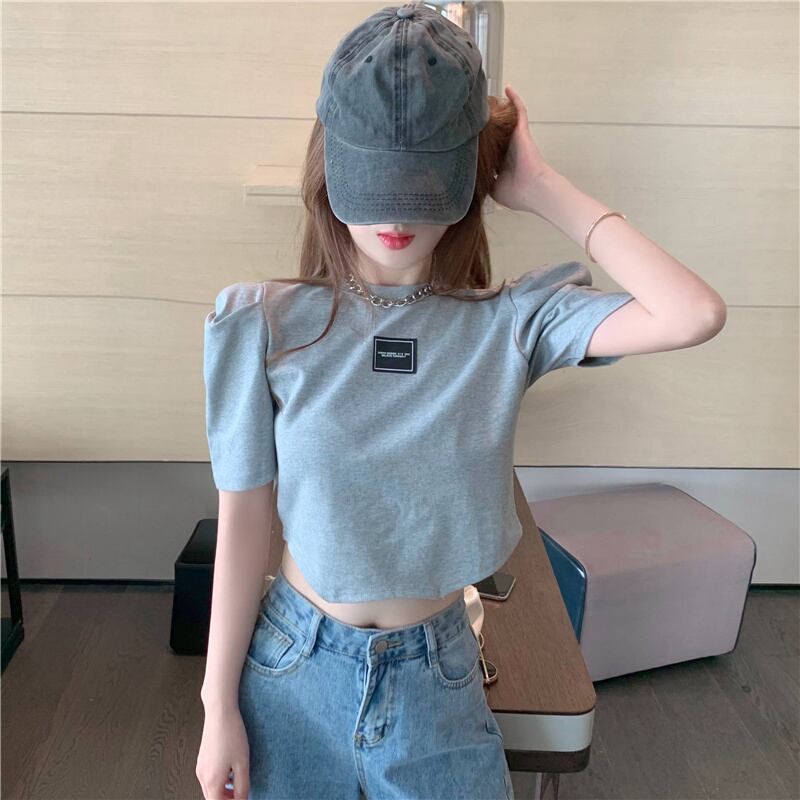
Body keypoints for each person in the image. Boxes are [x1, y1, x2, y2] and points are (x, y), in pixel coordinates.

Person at [195, 4, 727, 800]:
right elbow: (243, 519)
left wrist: (541, 187)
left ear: (470, 175)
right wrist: (217, 706)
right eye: (373, 181)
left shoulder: (513, 323)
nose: (393, 215)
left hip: (434, 679)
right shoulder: (262, 324)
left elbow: (694, 314)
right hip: (291, 669)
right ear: (330, 168)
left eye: (421, 185)